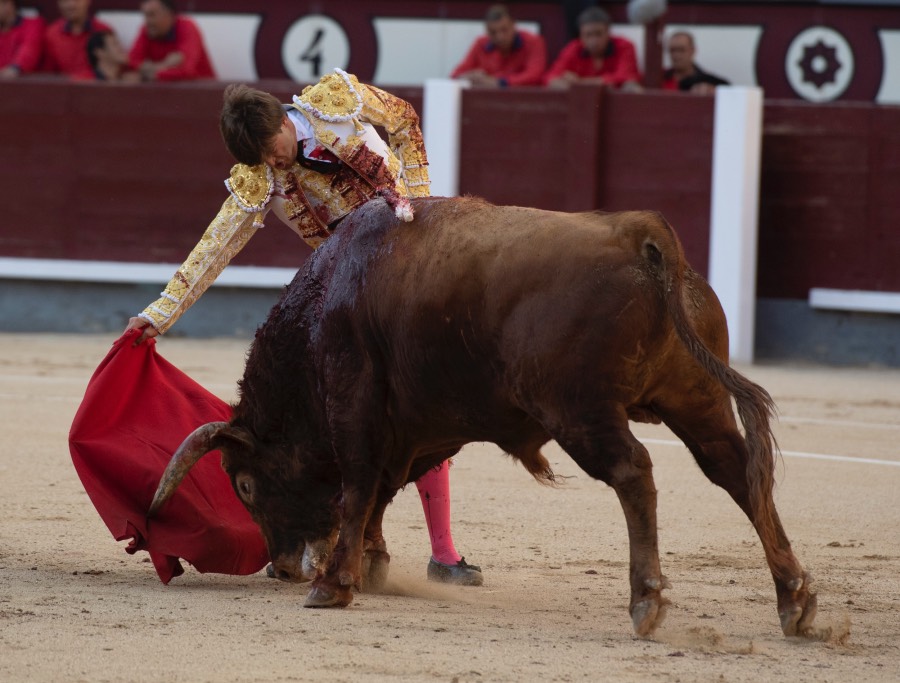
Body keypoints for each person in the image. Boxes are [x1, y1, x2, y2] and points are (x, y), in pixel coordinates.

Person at [123, 69, 483, 586]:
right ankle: (344, 540)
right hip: (351, 295)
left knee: (422, 408)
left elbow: (404, 121)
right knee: (336, 418)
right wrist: (160, 313)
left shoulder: (333, 102)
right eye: (262, 159)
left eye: (273, 147)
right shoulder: (261, 179)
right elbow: (215, 248)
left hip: (416, 276)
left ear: (284, 122)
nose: (274, 161)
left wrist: (423, 206)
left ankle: (444, 553)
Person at [544, 6, 642, 91]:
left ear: (608, 32)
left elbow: (626, 77)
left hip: (618, 107)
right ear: (581, 36)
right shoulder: (573, 48)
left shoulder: (624, 46)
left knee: (631, 87)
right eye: (588, 35)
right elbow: (551, 78)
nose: (594, 41)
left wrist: (578, 83)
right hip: (581, 104)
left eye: (598, 34)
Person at [450, 3, 546, 88]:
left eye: (504, 30)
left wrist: (500, 82)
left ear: (513, 25)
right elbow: (454, 75)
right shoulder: (481, 44)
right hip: (487, 102)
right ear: (487, 31)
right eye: (493, 32)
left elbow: (535, 75)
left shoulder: (533, 42)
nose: (500, 37)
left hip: (524, 103)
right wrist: (468, 76)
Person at [128, 0, 215, 82]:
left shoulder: (187, 27)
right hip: (164, 93)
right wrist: (164, 65)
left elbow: (187, 71)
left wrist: (147, 73)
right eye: (145, 15)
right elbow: (131, 62)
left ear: (169, 14)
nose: (147, 21)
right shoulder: (147, 30)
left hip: (201, 92)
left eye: (152, 15)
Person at [43, 0, 113, 80]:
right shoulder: (52, 34)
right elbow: (47, 75)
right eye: (64, 1)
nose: (71, 5)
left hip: (96, 89)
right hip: (63, 89)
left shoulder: (103, 31)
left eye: (77, 0)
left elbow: (112, 72)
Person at [662, 31, 729, 94]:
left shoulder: (708, 81)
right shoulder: (659, 78)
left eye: (681, 50)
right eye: (672, 50)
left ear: (693, 50)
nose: (676, 55)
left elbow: (727, 91)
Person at [0, 0, 44, 78]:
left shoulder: (32, 24)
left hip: (27, 85)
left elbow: (29, 49)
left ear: (7, 3)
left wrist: (15, 68)